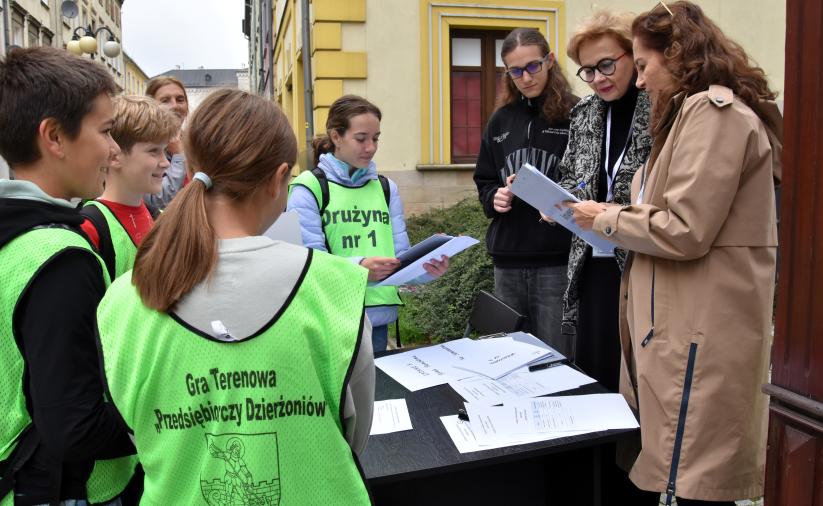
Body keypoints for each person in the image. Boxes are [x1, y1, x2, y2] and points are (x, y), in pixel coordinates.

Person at [96, 89, 374, 505]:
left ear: (193, 169)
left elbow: (137, 430)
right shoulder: (336, 286)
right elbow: (355, 431)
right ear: (280, 178)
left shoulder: (123, 300)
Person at [569, 2, 782, 504]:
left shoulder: (714, 114)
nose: (639, 82)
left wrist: (606, 217)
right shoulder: (691, 115)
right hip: (679, 329)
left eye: (642, 66)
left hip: (698, 333)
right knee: (679, 475)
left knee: (694, 484)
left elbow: (686, 229)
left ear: (679, 55)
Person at [0, 47, 137, 505]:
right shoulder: (61, 259)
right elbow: (74, 428)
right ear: (55, 137)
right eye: (105, 131)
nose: (114, 149)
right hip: (64, 491)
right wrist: (171, 411)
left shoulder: (14, 232)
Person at [288, 95, 448, 352]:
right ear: (336, 137)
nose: (371, 147)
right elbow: (307, 262)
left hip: (378, 320)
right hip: (329, 321)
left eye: (375, 138)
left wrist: (427, 268)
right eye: (361, 138)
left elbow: (400, 259)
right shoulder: (308, 188)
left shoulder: (386, 188)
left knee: (376, 393)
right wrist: (360, 268)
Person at [473, 28, 577, 353]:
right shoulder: (501, 121)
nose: (526, 77)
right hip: (508, 260)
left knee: (556, 358)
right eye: (515, 71)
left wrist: (561, 203)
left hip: (556, 261)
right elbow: (485, 178)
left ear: (550, 61)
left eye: (533, 66)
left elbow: (587, 182)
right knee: (508, 356)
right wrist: (495, 198)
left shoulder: (577, 114)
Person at [80, 95, 180, 279]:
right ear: (115, 156)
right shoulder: (90, 228)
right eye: (153, 151)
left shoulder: (159, 217)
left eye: (164, 151)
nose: (165, 162)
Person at [143, 76, 189, 216]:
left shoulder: (193, 140)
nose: (174, 105)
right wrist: (178, 156)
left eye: (180, 99)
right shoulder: (143, 143)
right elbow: (157, 199)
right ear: (151, 105)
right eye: (165, 101)